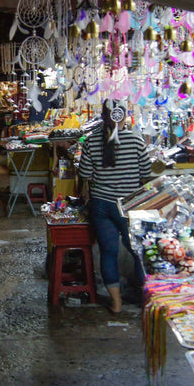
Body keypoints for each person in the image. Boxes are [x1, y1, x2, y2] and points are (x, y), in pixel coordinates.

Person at [77, 99, 151, 314]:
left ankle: (116, 303)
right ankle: (144, 300)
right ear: (124, 117)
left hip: (102, 205)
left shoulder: (91, 141)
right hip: (129, 206)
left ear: (103, 117)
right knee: (137, 251)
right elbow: (146, 175)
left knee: (109, 252)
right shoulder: (136, 141)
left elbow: (84, 174)